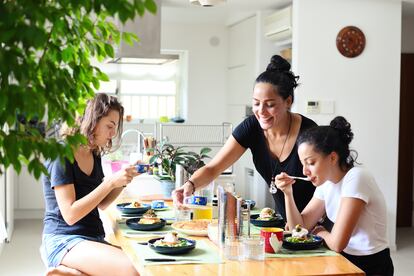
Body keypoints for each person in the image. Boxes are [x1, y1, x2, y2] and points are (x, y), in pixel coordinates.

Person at [173, 55, 317, 220]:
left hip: (317, 225)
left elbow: (328, 187)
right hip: (286, 226)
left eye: (270, 105)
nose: (261, 111)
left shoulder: (309, 133)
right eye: (256, 103)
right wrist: (190, 185)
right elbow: (213, 168)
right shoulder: (252, 127)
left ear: (288, 101)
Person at [276, 116, 393, 275]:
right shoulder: (326, 183)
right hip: (343, 259)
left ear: (332, 157)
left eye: (310, 163)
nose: (304, 171)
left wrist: (319, 231)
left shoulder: (356, 178)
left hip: (371, 266)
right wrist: (287, 194)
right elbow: (300, 229)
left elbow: (337, 243)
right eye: (303, 164)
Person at [40, 93, 140, 276]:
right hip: (63, 239)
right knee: (132, 270)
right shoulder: (61, 154)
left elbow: (101, 203)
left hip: (92, 237)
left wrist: (123, 181)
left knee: (141, 262)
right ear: (91, 121)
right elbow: (70, 215)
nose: (112, 133)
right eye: (109, 126)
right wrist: (109, 182)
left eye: (114, 128)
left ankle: (70, 273)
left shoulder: (94, 153)